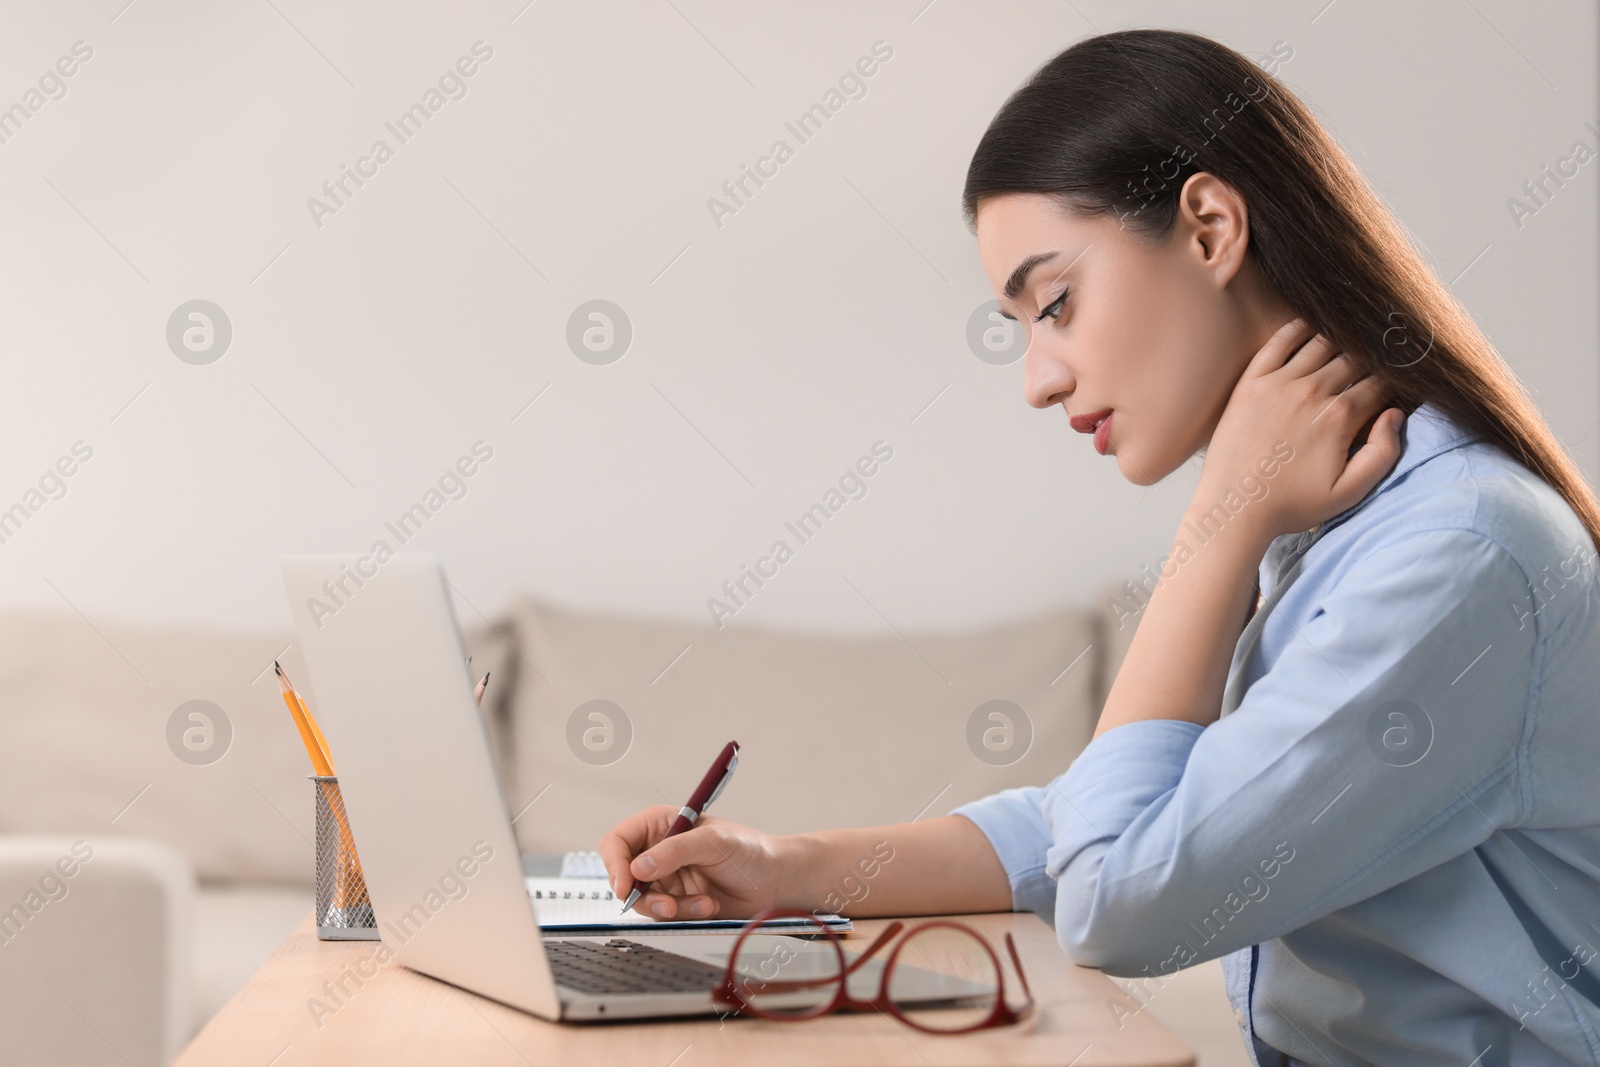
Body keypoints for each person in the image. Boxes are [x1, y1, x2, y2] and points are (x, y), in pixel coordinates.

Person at [600, 28, 1600, 1067]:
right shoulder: (1349, 525)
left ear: (1209, 226)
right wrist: (779, 865)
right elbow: (1096, 824)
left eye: (1057, 303)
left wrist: (1218, 523)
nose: (1039, 377)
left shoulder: (1455, 555)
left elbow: (1116, 896)